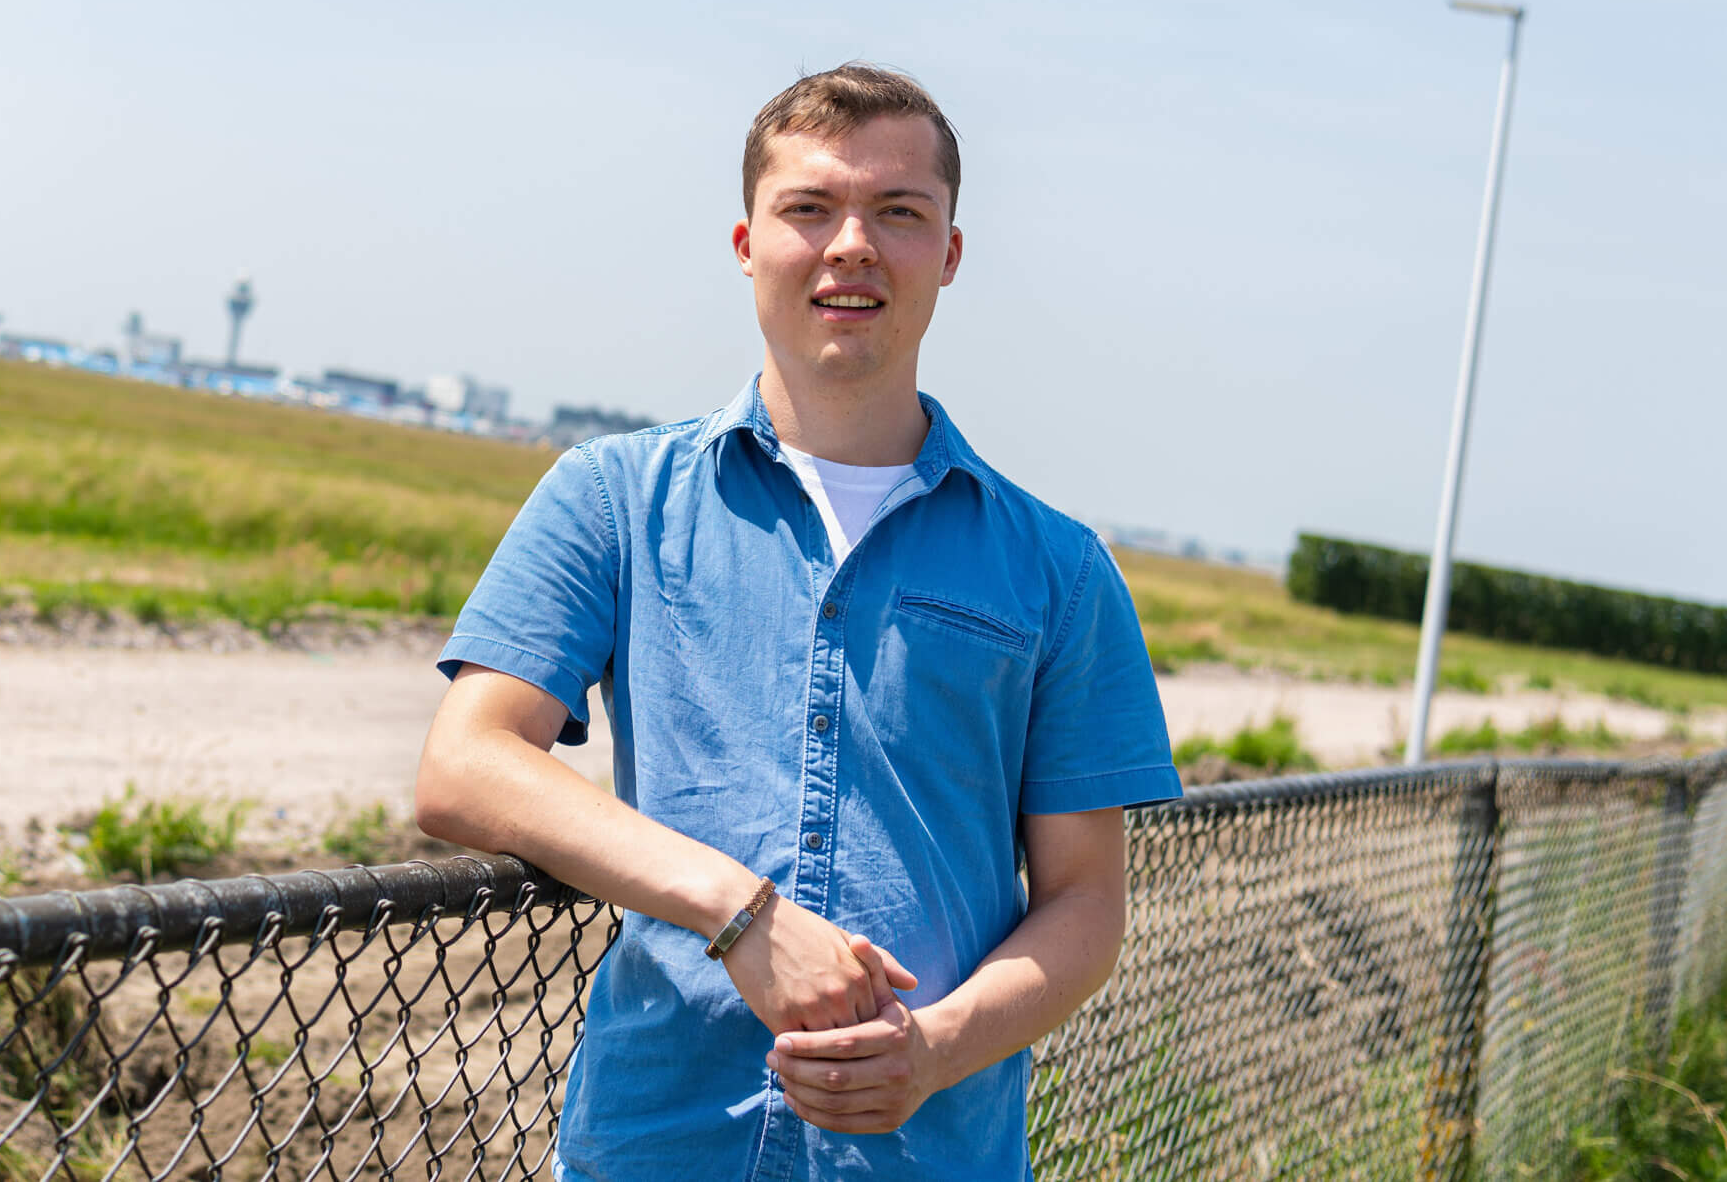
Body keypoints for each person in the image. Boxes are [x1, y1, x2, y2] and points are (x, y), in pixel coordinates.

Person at [414, 63, 1179, 1180]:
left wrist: (930, 1050)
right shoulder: (612, 497)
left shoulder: (1059, 571)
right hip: (656, 1146)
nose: (851, 244)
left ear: (950, 255)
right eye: (809, 208)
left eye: (900, 213)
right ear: (745, 243)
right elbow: (464, 765)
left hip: (928, 1155)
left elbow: (1084, 905)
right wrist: (740, 914)